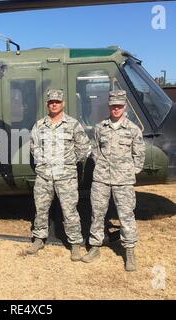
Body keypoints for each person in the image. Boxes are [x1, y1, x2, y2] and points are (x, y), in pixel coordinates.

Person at [81, 90, 145, 272]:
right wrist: (102, 165)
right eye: (113, 106)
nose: (116, 109)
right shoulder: (100, 127)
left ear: (124, 107)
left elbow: (139, 155)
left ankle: (129, 251)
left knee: (126, 216)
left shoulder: (133, 129)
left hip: (123, 181)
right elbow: (95, 149)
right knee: (97, 214)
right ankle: (95, 247)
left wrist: (129, 171)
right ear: (109, 107)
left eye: (119, 106)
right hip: (101, 179)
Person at [27, 89, 91, 261]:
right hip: (44, 176)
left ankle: (75, 244)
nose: (54, 104)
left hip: (66, 177)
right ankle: (39, 239)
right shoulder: (39, 125)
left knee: (70, 211)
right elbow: (34, 147)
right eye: (51, 102)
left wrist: (69, 162)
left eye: (57, 101)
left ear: (63, 103)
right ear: (47, 104)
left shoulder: (72, 124)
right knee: (41, 209)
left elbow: (84, 147)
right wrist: (42, 163)